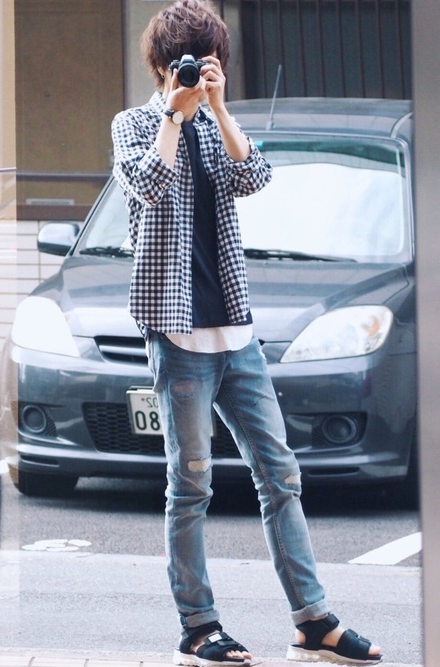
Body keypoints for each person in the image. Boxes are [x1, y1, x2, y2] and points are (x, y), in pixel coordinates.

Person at [111, 1, 382, 665]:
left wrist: (219, 107)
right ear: (161, 65)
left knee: (280, 474)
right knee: (191, 484)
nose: (197, 73)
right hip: (178, 334)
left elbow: (255, 175)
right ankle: (198, 625)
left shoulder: (215, 124)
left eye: (208, 62)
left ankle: (313, 620)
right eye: (187, 63)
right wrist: (175, 114)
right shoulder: (135, 124)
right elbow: (148, 183)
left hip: (236, 332)